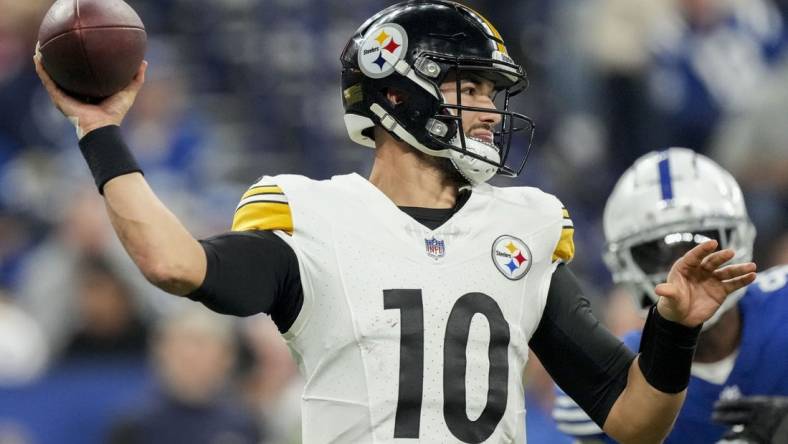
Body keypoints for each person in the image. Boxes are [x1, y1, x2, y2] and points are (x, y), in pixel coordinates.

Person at [34, 1, 757, 442]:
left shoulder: (525, 227)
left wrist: (673, 332)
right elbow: (174, 263)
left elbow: (634, 422)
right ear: (398, 97)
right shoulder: (313, 217)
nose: (486, 110)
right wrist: (99, 131)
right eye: (468, 88)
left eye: (488, 92)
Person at [552, 148, 788, 443]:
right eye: (655, 254)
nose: (683, 270)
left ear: (739, 239)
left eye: (701, 243)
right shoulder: (612, 373)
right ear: (624, 265)